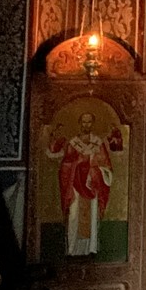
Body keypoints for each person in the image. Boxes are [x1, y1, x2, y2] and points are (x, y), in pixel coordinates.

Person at [50, 109, 124, 257]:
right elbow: (65, 165)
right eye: (84, 122)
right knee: (74, 216)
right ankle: (72, 250)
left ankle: (91, 249)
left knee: (92, 217)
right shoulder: (73, 143)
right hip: (75, 187)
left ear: (92, 123)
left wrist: (94, 172)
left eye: (89, 122)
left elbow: (106, 166)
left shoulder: (98, 144)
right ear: (80, 123)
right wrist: (77, 164)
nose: (86, 125)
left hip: (92, 185)